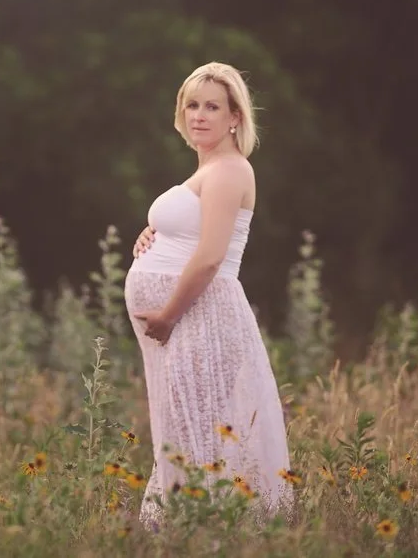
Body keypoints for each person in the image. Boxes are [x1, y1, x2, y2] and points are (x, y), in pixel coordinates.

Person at [125, 62, 292, 527]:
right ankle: (188, 532)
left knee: (196, 434)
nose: (199, 115)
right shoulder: (209, 170)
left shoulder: (230, 170)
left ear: (235, 116)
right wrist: (153, 233)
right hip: (185, 319)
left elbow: (210, 258)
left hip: (201, 317)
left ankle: (199, 534)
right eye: (192, 105)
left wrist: (168, 316)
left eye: (212, 107)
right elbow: (192, 233)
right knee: (183, 431)